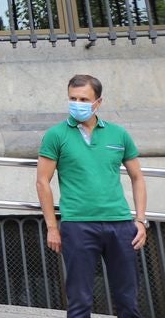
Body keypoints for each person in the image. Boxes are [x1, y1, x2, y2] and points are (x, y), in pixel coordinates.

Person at [36, 74, 148, 318]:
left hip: (120, 224)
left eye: (84, 99)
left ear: (98, 101)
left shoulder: (119, 134)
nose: (77, 103)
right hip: (77, 225)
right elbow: (43, 181)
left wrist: (140, 220)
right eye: (73, 98)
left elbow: (138, 177)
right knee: (79, 302)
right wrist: (52, 227)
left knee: (128, 300)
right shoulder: (56, 135)